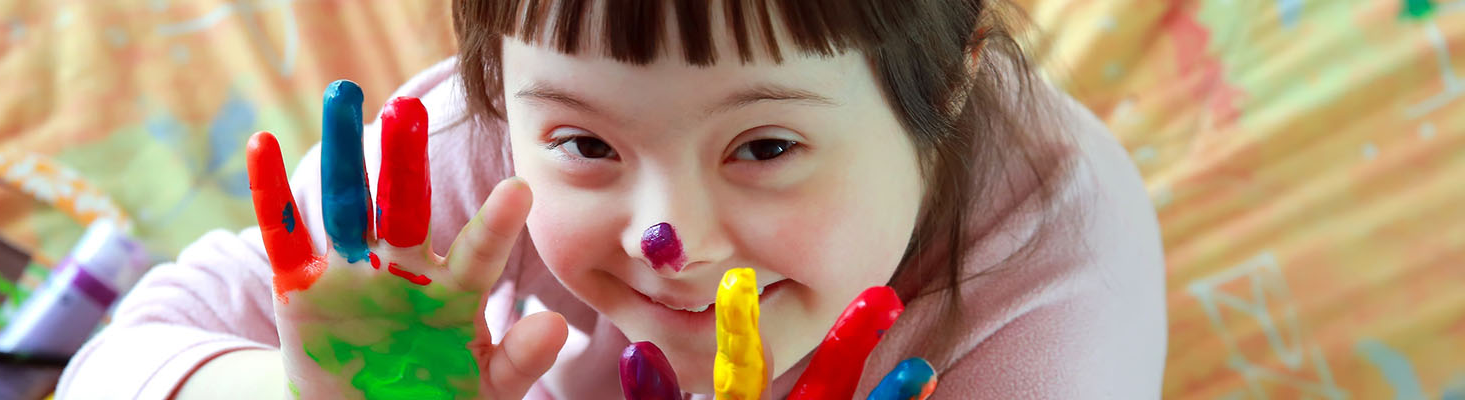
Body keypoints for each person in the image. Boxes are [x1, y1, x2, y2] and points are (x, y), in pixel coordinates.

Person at [57, 0, 1167, 398]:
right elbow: (115, 364)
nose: (665, 238)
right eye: (585, 140)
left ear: (954, 70)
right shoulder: (459, 157)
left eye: (765, 144)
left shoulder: (1054, 277)